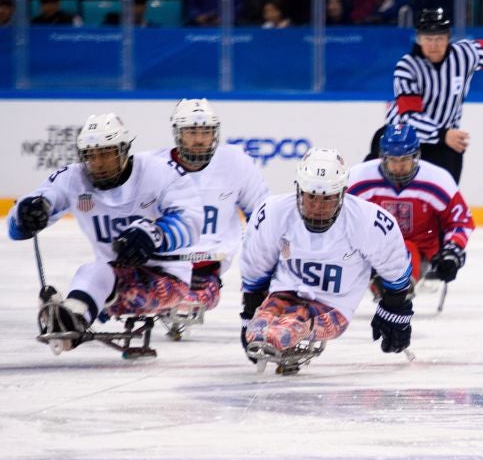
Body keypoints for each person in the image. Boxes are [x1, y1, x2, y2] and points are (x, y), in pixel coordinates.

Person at [6, 113, 202, 353]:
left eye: (106, 153)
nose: (98, 162)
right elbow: (31, 212)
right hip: (109, 281)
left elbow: (191, 219)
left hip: (166, 279)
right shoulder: (73, 178)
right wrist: (26, 215)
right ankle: (72, 319)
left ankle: (73, 312)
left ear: (124, 150)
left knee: (98, 272)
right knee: (95, 270)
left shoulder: (159, 173)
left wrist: (156, 234)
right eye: (91, 155)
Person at [240, 148, 414, 374]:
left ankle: (295, 324)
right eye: (311, 196)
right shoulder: (273, 212)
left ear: (342, 193)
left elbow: (396, 270)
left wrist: (394, 310)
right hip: (284, 293)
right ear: (299, 190)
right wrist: (250, 310)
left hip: (334, 306)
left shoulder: (368, 221)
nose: (318, 206)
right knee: (258, 330)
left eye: (328, 198)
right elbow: (256, 267)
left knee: (291, 328)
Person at [138, 98, 270, 339]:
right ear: (178, 133)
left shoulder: (236, 162)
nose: (199, 139)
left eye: (206, 131)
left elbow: (262, 214)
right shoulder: (151, 165)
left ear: (215, 133)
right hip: (161, 264)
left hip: (207, 264)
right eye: (191, 132)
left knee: (190, 300)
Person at [366, 7, 483, 183]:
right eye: (428, 39)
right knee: (374, 187)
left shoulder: (464, 55)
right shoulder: (407, 67)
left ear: (449, 38)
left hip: (446, 142)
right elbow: (409, 116)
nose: (434, 45)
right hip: (401, 139)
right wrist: (442, 134)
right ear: (419, 39)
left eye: (439, 39)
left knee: (445, 197)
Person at [347, 123, 474, 291]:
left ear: (416, 156)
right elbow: (341, 217)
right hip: (373, 249)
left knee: (406, 248)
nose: (399, 167)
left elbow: (460, 221)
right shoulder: (359, 177)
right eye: (393, 160)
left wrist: (452, 250)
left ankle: (394, 286)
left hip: (421, 251)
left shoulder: (437, 180)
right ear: (382, 157)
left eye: (405, 159)